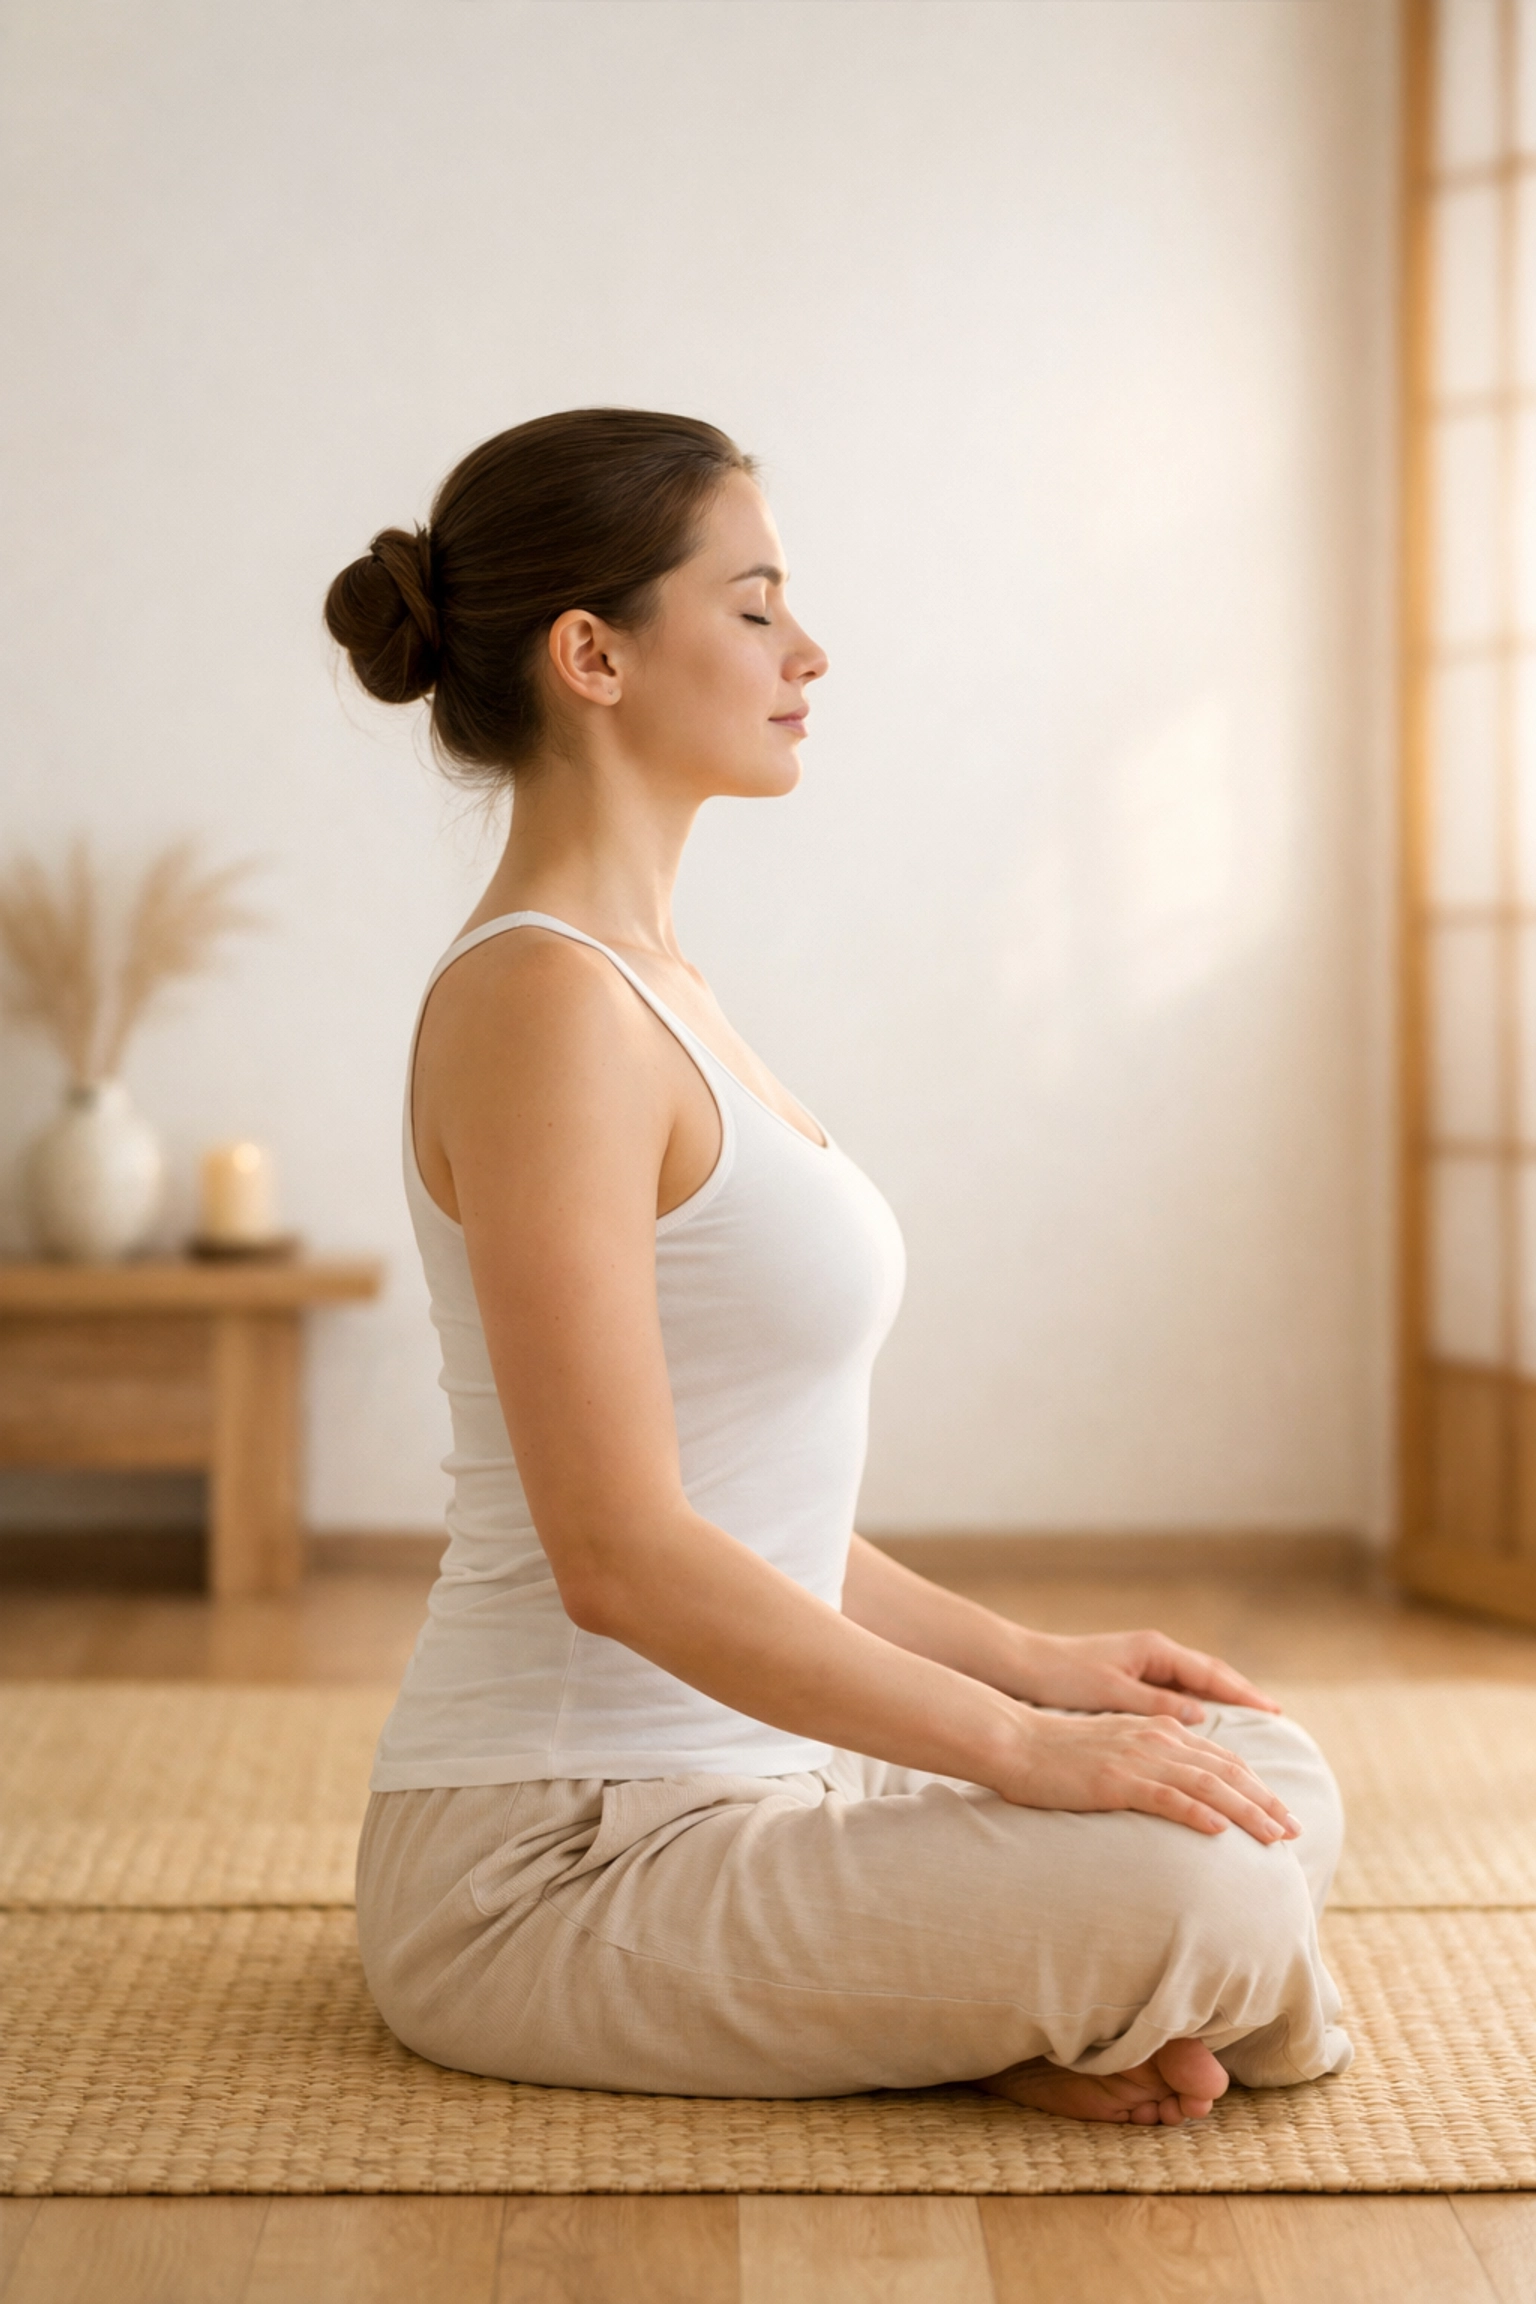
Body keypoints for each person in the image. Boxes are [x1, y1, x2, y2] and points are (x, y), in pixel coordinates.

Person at [326, 408, 1351, 2126]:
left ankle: (1008, 2009)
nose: (808, 652)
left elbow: (752, 1510)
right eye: (753, 607)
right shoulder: (541, 1005)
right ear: (592, 656)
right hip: (555, 1857)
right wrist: (1019, 1748)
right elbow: (620, 1556)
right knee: (1209, 1888)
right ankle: (1076, 1994)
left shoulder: (655, 985)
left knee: (1260, 1770)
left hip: (774, 1781)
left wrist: (1036, 1665)